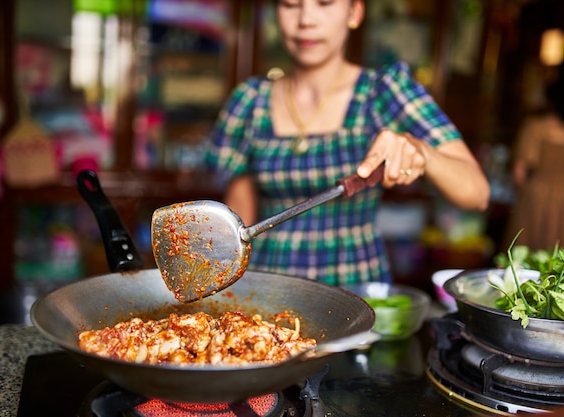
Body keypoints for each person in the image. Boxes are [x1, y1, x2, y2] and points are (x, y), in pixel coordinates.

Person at [205, 0, 489, 286]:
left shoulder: (383, 91)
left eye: (325, 3)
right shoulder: (250, 101)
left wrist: (421, 151)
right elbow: (239, 219)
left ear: (354, 12)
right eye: (291, 5)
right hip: (268, 288)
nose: (306, 19)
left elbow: (477, 193)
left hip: (356, 287)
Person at [504, 77, 564, 251]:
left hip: (536, 197)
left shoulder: (535, 127)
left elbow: (519, 171)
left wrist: (525, 194)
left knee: (525, 256)